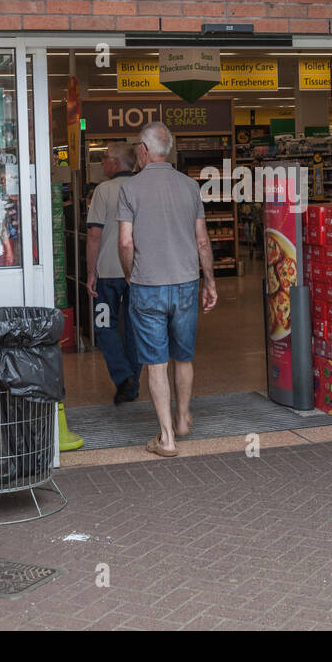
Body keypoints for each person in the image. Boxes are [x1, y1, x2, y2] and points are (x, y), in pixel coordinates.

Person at [117, 122, 218, 458]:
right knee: (183, 355)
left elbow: (126, 242)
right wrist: (210, 281)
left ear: (143, 151)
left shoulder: (130, 189)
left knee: (156, 363)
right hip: (186, 283)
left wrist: (129, 274)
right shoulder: (190, 186)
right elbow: (202, 240)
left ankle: (167, 438)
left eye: (136, 149)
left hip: (148, 286)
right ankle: (184, 417)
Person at [86, 143, 140, 404]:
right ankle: (132, 383)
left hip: (107, 273)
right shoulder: (143, 187)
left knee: (103, 324)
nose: (102, 163)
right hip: (139, 273)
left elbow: (94, 235)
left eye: (104, 158)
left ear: (116, 163)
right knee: (134, 329)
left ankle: (123, 376)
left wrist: (91, 271)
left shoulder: (103, 191)